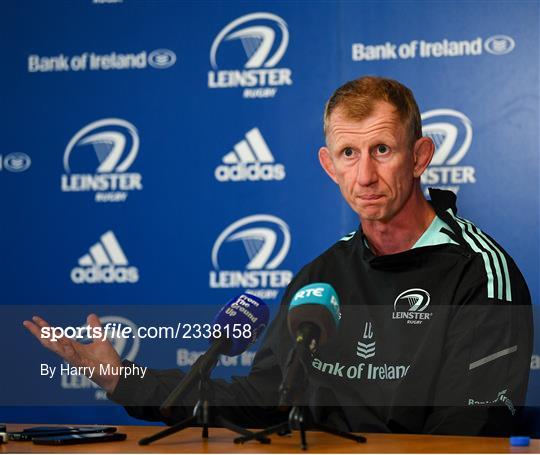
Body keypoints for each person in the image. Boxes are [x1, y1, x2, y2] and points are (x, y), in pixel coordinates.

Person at [24, 76, 533, 436]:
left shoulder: (482, 274)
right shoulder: (320, 277)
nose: (365, 177)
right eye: (348, 155)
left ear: (420, 156)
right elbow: (263, 398)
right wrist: (123, 379)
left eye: (382, 150)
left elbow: (469, 432)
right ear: (328, 165)